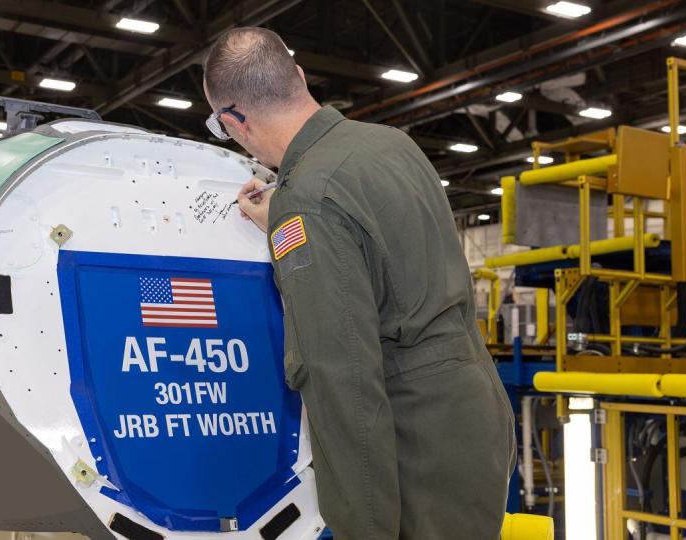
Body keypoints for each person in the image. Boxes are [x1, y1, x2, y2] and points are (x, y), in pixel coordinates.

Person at [202, 27, 516, 540]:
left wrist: (361, 529)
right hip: (474, 422)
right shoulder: (392, 144)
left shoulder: (306, 201)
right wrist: (283, 216)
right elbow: (379, 246)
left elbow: (342, 378)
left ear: (234, 120)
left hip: (415, 451)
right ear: (298, 77)